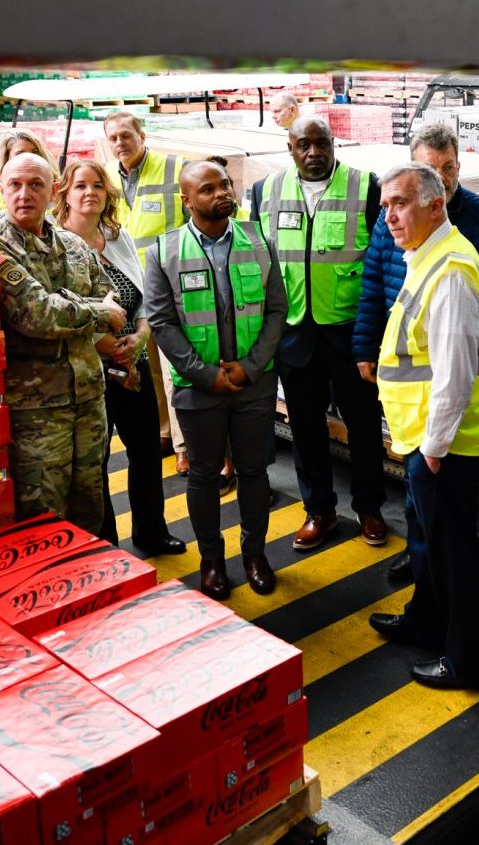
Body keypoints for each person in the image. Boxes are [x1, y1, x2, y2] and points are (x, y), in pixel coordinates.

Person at [355, 122, 479, 582]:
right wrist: (365, 347)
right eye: (431, 169)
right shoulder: (403, 233)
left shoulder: (475, 228)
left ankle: (442, 606)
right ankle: (423, 572)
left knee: (449, 525)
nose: (442, 178)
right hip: (418, 412)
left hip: (444, 418)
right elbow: (374, 286)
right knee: (421, 507)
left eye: (448, 168)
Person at [366, 163, 479, 690]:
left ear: (435, 204)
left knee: (454, 553)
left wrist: (434, 450)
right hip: (423, 439)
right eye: (384, 206)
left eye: (399, 203)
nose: (389, 215)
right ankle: (427, 622)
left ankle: (468, 662)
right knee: (427, 542)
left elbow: (455, 374)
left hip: (446, 444)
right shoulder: (426, 257)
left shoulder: (451, 272)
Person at [145, 160, 287, 600]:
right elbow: (162, 321)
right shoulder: (163, 251)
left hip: (252, 385)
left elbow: (277, 310)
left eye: (225, 185)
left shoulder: (258, 240)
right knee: (204, 476)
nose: (221, 193)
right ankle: (211, 561)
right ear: (186, 200)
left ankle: (255, 556)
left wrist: (251, 367)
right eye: (208, 189)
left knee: (253, 472)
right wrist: (206, 375)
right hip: (198, 388)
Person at [249, 116, 387, 551]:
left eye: (321, 144)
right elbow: (257, 265)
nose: (313, 153)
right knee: (306, 429)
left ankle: (369, 507)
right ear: (290, 149)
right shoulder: (265, 192)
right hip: (294, 334)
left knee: (363, 426)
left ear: (334, 144)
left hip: (351, 334)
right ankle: (320, 511)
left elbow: (382, 263)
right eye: (303, 145)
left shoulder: (366, 188)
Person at [54, 159, 188, 558]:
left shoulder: (116, 236)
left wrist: (143, 334)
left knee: (146, 450)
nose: (89, 192)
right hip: (89, 371)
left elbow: (143, 295)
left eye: (97, 185)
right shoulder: (57, 245)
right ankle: (107, 545)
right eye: (80, 186)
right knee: (94, 462)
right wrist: (105, 346)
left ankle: (151, 532)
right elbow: (61, 309)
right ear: (65, 193)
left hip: (133, 365)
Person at [0, 153, 128, 534]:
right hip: (37, 411)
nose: (24, 194)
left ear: (52, 190)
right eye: (15, 184)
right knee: (43, 516)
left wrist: (76, 306)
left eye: (35, 185)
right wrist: (93, 312)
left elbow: (111, 294)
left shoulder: (73, 243)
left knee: (90, 507)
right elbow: (37, 314)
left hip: (88, 399)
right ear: (1, 189)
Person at [103, 111, 192, 473]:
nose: (121, 143)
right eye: (114, 138)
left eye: (127, 135)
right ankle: (164, 433)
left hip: (171, 284)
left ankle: (187, 445)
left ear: (142, 134)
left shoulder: (174, 169)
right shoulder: (107, 177)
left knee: (177, 369)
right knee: (150, 365)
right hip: (133, 289)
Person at [0, 130, 53, 210]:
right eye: (20, 154)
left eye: (35, 152)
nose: (29, 158)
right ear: (6, 159)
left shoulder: (60, 192)